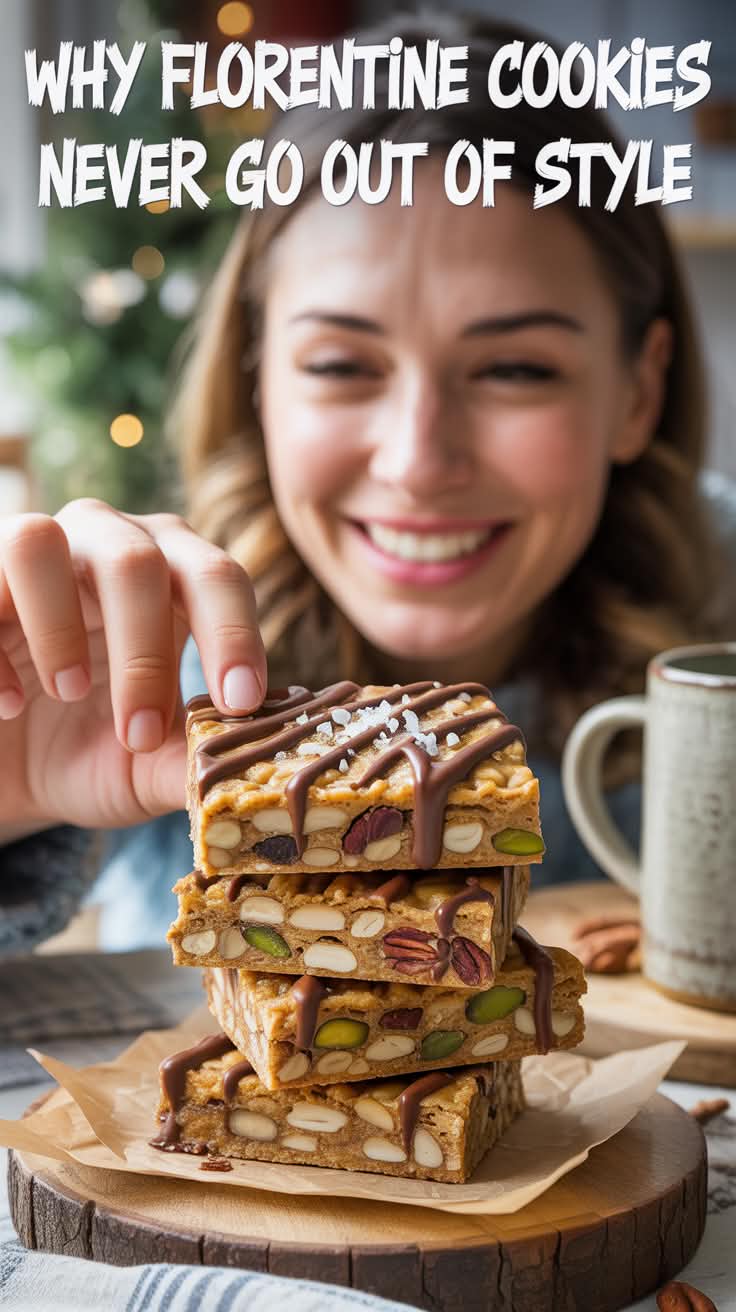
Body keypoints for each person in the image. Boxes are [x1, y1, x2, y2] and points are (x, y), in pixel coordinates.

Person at [1, 12, 734, 954]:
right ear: (258, 377)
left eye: (516, 370)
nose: (418, 461)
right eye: (343, 365)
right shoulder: (145, 652)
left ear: (639, 389)